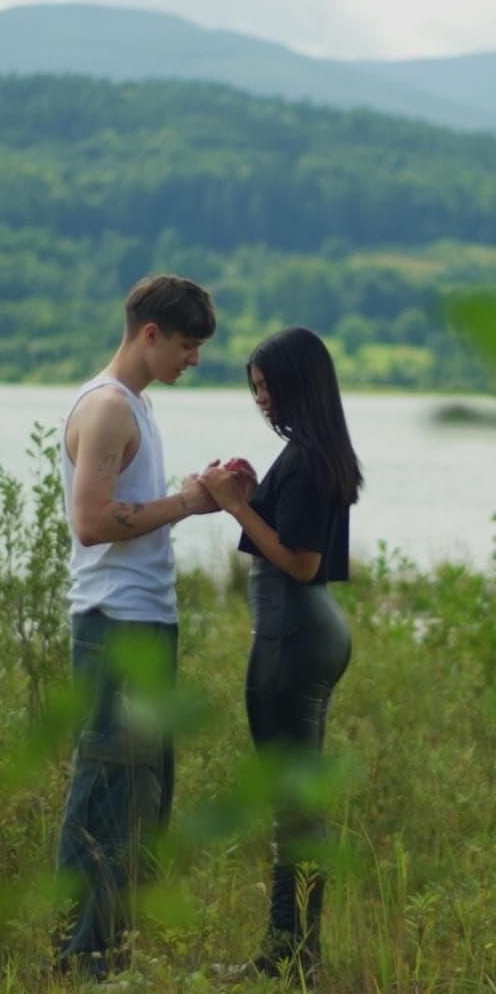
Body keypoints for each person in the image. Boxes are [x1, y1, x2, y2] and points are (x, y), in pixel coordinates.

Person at [55, 273, 218, 982]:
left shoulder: (139, 405)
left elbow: (129, 506)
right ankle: (80, 959)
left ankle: (109, 954)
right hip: (114, 624)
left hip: (145, 622)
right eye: (187, 345)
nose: (195, 359)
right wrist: (184, 503)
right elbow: (91, 523)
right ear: (150, 335)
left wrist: (192, 493)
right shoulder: (108, 409)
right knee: (108, 791)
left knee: (145, 798)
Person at [198, 326, 363, 986]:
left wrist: (238, 505)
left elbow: (298, 560)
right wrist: (248, 492)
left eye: (267, 387)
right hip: (310, 632)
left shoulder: (305, 460)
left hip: (293, 637)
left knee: (290, 806)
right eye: (255, 390)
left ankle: (290, 960)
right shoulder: (314, 454)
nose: (261, 400)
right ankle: (291, 954)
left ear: (297, 382)